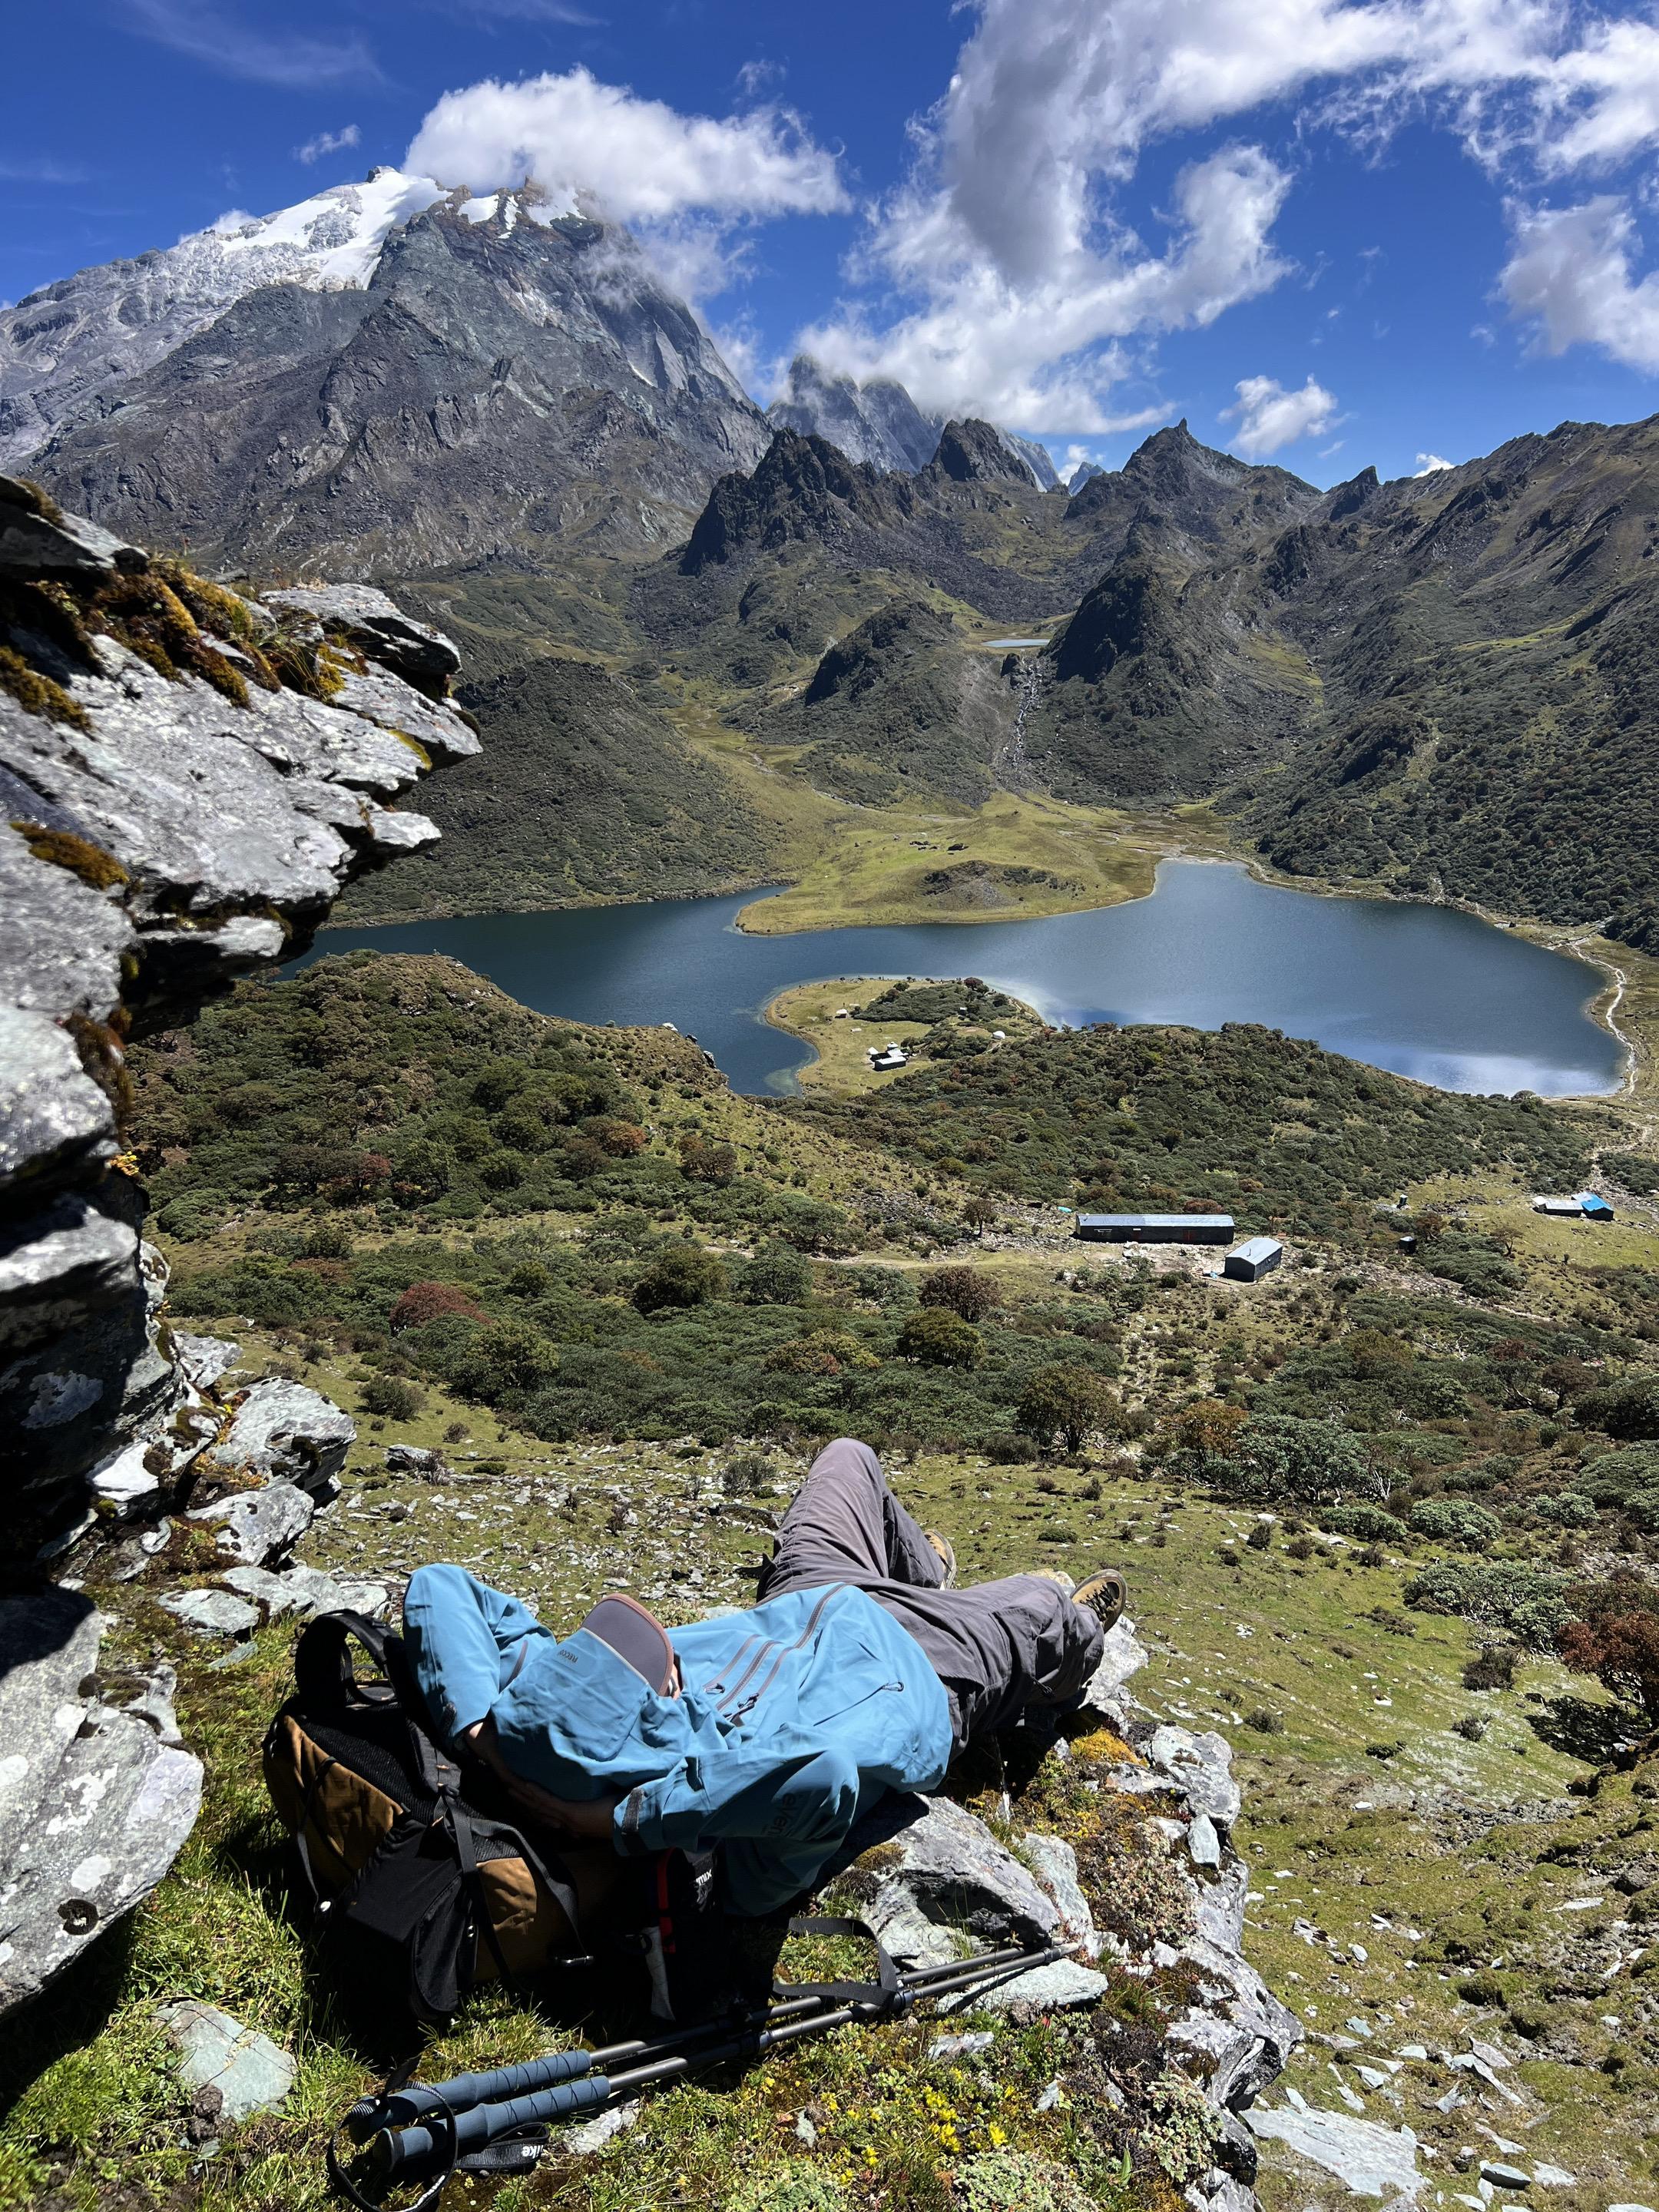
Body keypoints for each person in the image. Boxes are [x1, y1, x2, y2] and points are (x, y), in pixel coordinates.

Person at [402, 1436, 1124, 1918]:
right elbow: (826, 1779)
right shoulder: (708, 1822)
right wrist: (627, 1820)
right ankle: (1073, 1640)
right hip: (923, 1669)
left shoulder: (530, 1715)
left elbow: (442, 1584)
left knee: (850, 1457)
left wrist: (475, 1733)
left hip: (809, 1599)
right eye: (665, 1678)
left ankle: (926, 1575)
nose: (672, 1662)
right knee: (1039, 1601)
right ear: (659, 1711)